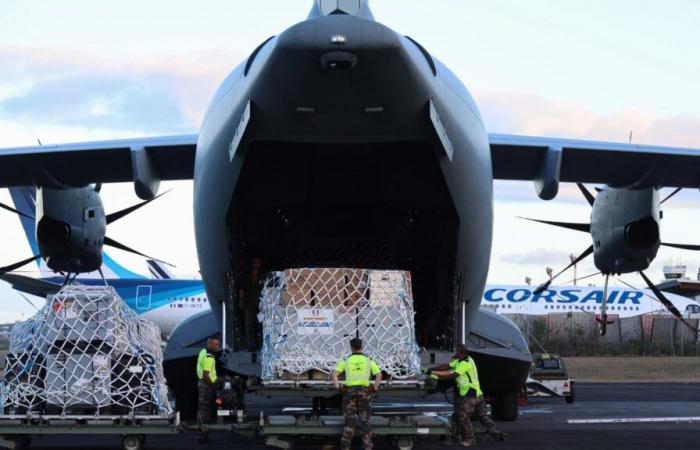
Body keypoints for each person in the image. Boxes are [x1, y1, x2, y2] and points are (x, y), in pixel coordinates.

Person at [428, 345, 498, 447]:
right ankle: (487, 423)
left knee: (462, 417)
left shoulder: (465, 364)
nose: (456, 354)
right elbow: (446, 366)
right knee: (477, 413)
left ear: (463, 354)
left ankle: (470, 439)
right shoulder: (464, 360)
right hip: (478, 394)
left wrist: (435, 376)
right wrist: (430, 370)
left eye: (458, 352)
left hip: (470, 395)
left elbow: (451, 375)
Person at [332, 338, 382, 450]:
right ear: (361, 346)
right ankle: (368, 447)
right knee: (365, 421)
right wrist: (374, 389)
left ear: (351, 347)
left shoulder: (345, 360)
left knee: (349, 422)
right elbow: (379, 375)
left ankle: (345, 447)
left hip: (349, 392)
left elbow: (334, 375)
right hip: (365, 392)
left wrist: (338, 388)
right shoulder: (369, 360)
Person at [196, 336, 220, 443]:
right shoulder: (210, 358)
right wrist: (214, 385)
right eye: (215, 345)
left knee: (202, 409)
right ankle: (203, 435)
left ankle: (202, 433)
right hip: (207, 385)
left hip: (202, 383)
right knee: (205, 409)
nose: (217, 347)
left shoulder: (202, 352)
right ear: (209, 344)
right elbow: (206, 374)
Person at [238, 255, 263, 351]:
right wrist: (241, 301)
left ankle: (263, 345)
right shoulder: (246, 275)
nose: (256, 264)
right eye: (254, 262)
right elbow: (241, 289)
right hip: (249, 304)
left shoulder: (263, 275)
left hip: (261, 305)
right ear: (251, 264)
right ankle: (251, 346)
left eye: (258, 262)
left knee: (261, 324)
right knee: (249, 324)